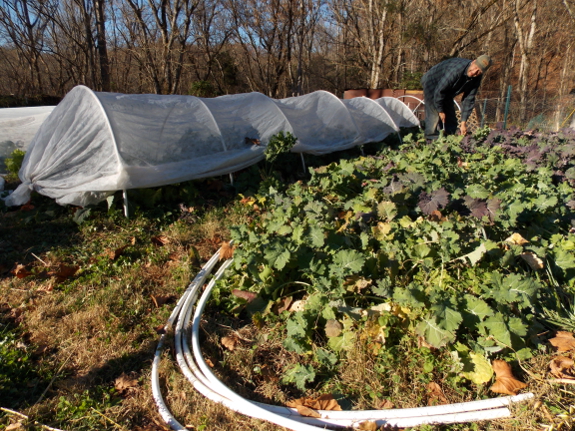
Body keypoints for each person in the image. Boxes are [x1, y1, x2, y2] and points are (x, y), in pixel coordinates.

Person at [421, 55, 492, 140]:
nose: (474, 72)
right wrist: (440, 111)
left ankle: (450, 137)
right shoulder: (456, 70)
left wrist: (463, 123)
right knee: (434, 115)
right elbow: (440, 91)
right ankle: (431, 140)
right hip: (432, 82)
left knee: (450, 119)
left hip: (447, 90)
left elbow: (469, 99)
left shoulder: (476, 79)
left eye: (479, 71)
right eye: (475, 68)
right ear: (473, 62)